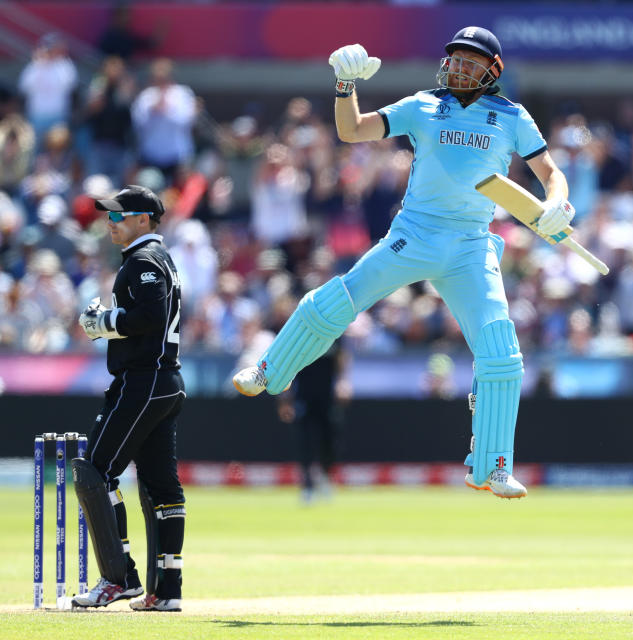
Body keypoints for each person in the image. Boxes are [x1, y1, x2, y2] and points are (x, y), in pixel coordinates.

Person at [233, 27, 576, 499]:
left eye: (470, 62)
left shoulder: (512, 117)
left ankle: (492, 465)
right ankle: (271, 369)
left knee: (502, 352)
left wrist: (559, 203)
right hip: (414, 234)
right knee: (344, 296)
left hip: (471, 247)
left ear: (491, 73)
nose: (457, 67)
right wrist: (344, 86)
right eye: (454, 59)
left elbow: (550, 174)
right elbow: (351, 130)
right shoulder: (422, 105)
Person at [71, 185, 186, 611]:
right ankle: (167, 592)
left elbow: (151, 316)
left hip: (144, 381)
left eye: (118, 216)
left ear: (143, 220)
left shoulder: (144, 260)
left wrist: (103, 322)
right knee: (161, 487)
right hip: (164, 382)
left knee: (95, 472)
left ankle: (118, 579)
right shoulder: (157, 258)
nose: (110, 222)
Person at [277, 341, 350, 502]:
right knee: (305, 440)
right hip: (303, 395)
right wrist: (284, 398)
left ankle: (325, 477)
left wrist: (343, 381)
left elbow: (342, 356)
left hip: (328, 396)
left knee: (330, 439)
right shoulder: (299, 332)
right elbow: (287, 365)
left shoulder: (333, 328)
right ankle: (307, 484)